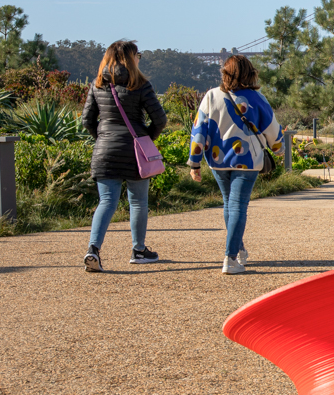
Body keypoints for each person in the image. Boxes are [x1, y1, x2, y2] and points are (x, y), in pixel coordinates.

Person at [187, 55, 283, 275]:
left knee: (229, 204)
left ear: (225, 73)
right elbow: (273, 130)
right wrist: (279, 150)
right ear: (250, 73)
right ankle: (230, 259)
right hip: (247, 161)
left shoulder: (211, 96)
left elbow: (198, 131)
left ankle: (238, 248)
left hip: (217, 160)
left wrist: (194, 164)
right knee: (238, 205)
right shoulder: (257, 98)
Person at [81, 40, 168, 272]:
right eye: (137, 54)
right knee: (138, 201)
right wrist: (145, 138)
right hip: (134, 151)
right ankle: (138, 251)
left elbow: (86, 121)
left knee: (106, 201)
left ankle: (93, 249)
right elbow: (160, 120)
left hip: (104, 151)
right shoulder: (140, 85)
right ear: (132, 59)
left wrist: (102, 138)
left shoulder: (96, 85)